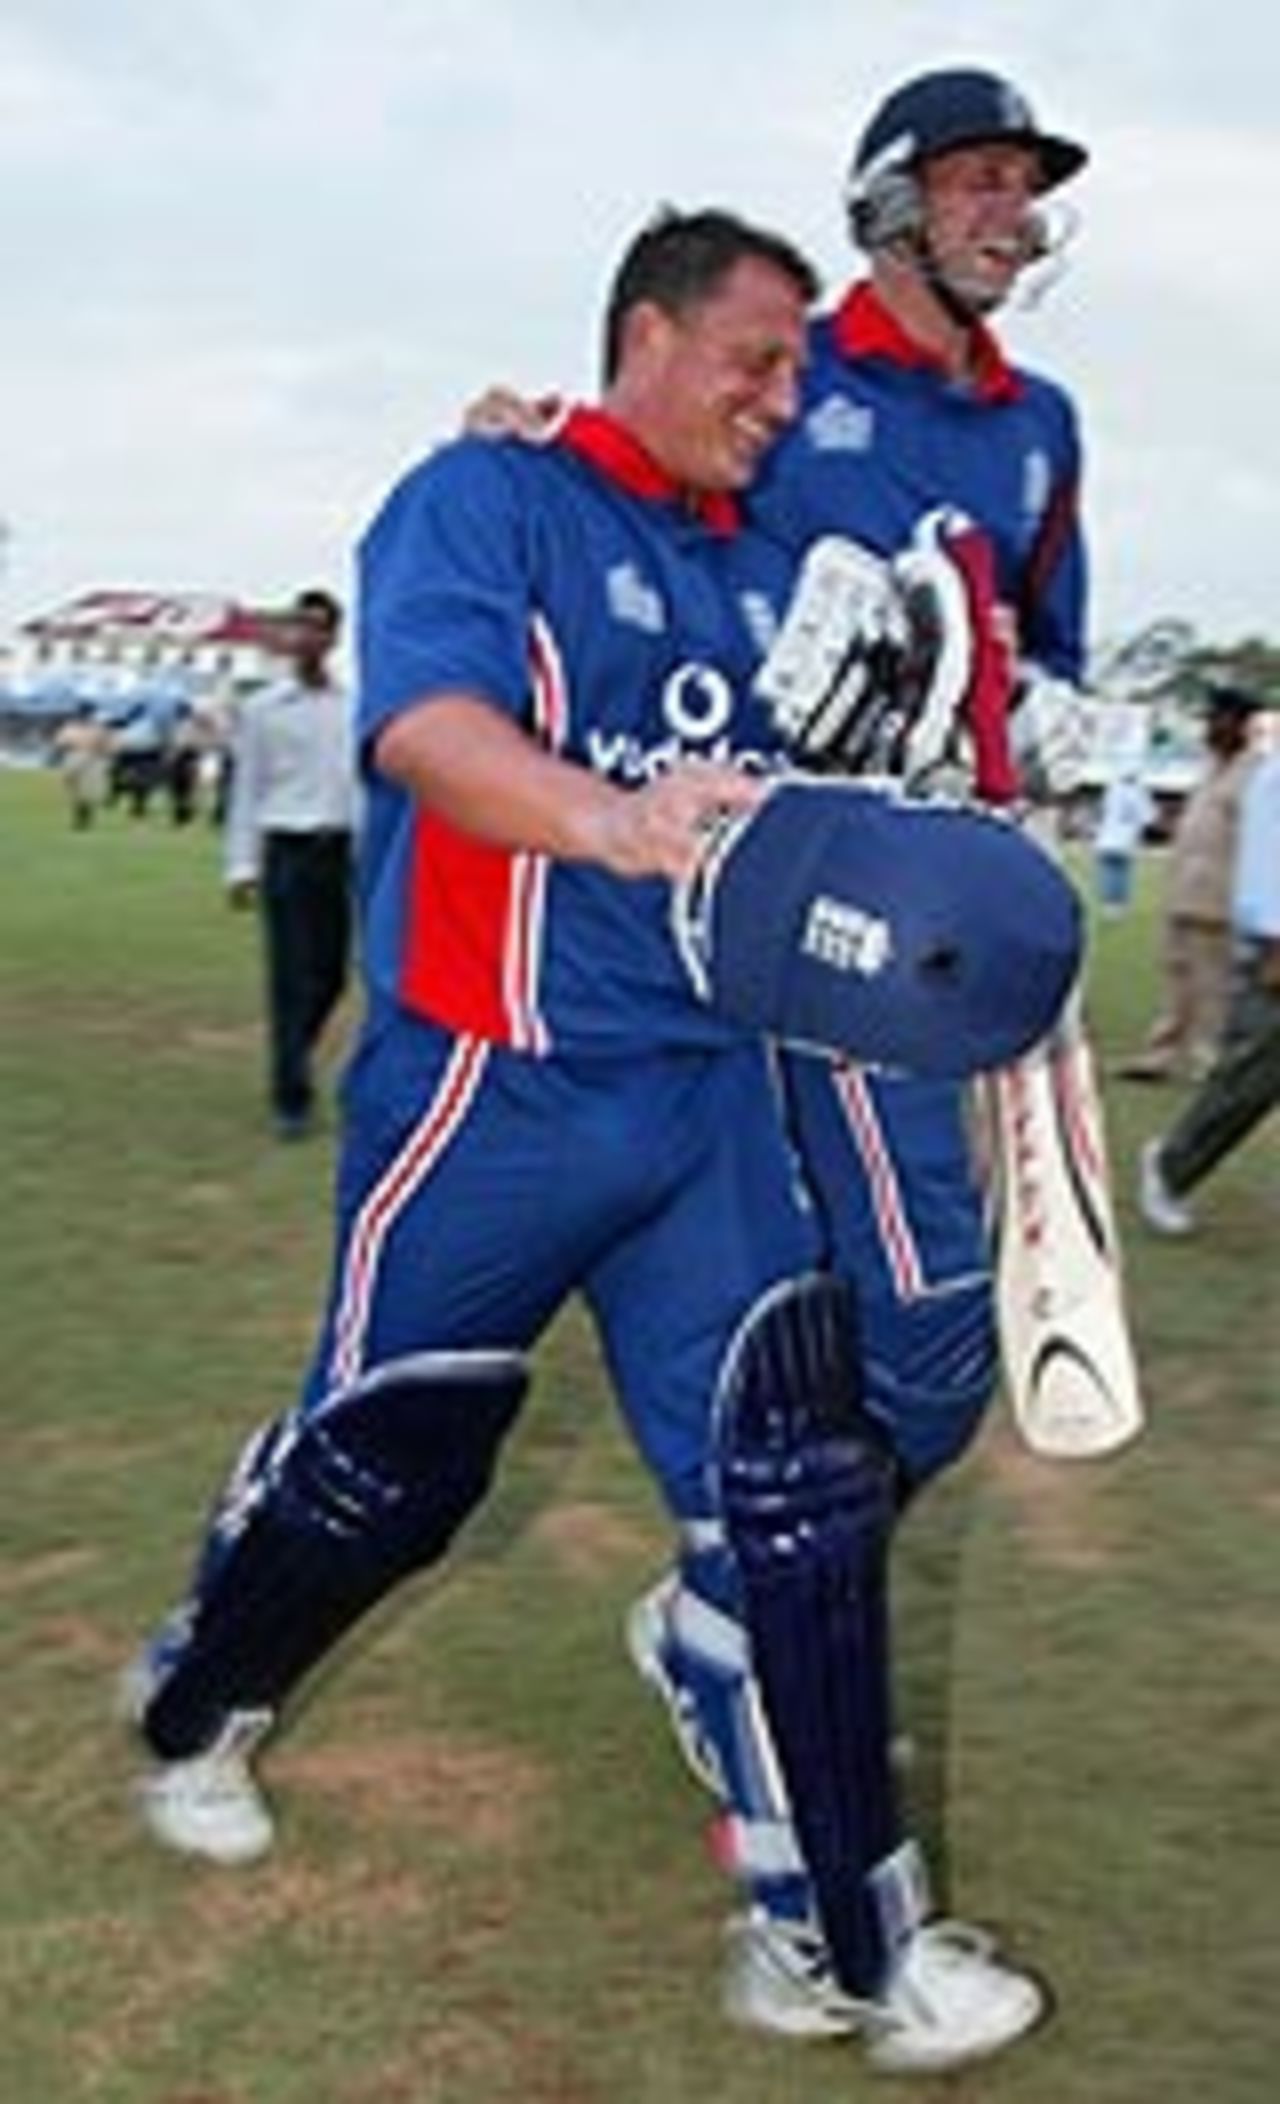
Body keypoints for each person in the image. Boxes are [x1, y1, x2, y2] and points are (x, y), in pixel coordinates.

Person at [122, 205, 1051, 2077]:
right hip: (495, 1084)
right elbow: (428, 730)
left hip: (710, 1093)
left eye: (801, 368)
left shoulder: (769, 549)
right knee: (391, 1470)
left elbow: (882, 718)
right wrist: (616, 824)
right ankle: (199, 1695)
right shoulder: (490, 497)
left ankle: (841, 1937)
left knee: (795, 1493)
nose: (787, 399)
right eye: (756, 360)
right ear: (650, 333)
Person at [466, 65, 1093, 2039]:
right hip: (760, 932)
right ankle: (814, 1881)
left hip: (928, 938)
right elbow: (618, 497)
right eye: (980, 182)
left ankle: (725, 1621)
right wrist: (516, 448)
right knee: (836, 1364)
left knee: (924, 1355)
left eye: (1026, 189)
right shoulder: (777, 364)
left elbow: (1032, 648)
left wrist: (1043, 723)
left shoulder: (1036, 424)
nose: (1012, 215)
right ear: (889, 201)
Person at [222, 588, 358, 1138]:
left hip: (340, 851)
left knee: (330, 977)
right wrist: (240, 866)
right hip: (287, 850)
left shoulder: (352, 708)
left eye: (320, 628)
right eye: (300, 627)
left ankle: (293, 1053)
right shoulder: (262, 710)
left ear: (334, 637)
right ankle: (291, 1098)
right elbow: (246, 790)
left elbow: (363, 788)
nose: (309, 638)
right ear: (288, 636)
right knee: (289, 977)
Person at [1139, 737, 1280, 1234]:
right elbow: (1265, 860)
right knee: (1250, 1080)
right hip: (1274, 950)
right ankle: (1170, 1167)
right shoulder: (1273, 774)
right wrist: (1271, 944)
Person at [1119, 684, 1261, 1080]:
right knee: (1177, 979)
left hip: (1224, 897)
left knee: (1214, 986)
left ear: (1240, 725)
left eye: (1218, 720)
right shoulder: (1211, 769)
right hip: (1186, 891)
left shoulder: (1257, 773)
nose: (1210, 728)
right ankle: (1160, 1056)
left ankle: (1210, 1060)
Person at [1092, 763, 1155, 916]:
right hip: (1126, 840)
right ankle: (1119, 905)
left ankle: (1108, 905)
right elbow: (1148, 818)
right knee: (1122, 874)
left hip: (1106, 839)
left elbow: (1102, 810)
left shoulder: (1112, 789)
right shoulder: (1139, 792)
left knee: (1108, 873)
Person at [49, 702, 112, 829]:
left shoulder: (98, 728)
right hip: (75, 756)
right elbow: (60, 744)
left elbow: (106, 746)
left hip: (90, 758)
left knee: (87, 790)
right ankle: (81, 814)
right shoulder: (71, 727)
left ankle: (83, 816)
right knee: (74, 789)